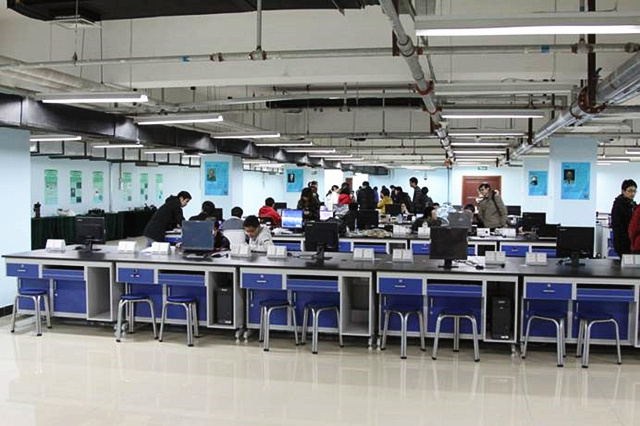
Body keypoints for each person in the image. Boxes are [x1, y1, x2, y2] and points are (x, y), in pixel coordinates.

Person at [611, 179, 637, 257]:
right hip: (623, 242)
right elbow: (617, 225)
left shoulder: (633, 205)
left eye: (634, 191)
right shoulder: (618, 205)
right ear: (623, 191)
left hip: (632, 241)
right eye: (630, 191)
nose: (632, 193)